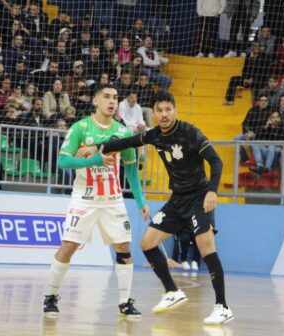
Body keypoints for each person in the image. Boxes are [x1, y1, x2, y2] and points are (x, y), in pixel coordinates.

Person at [93, 91, 233, 324]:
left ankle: (222, 306)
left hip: (199, 197)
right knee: (147, 242)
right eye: (160, 111)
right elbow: (126, 142)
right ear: (154, 114)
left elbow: (216, 161)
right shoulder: (154, 135)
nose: (164, 114)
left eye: (168, 110)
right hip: (177, 200)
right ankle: (172, 291)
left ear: (175, 110)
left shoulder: (190, 132)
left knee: (206, 247)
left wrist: (212, 191)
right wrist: (99, 147)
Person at [42, 83, 150, 321]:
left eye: (115, 97)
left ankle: (124, 302)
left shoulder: (123, 132)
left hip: (113, 201)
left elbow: (131, 170)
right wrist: (94, 161)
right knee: (69, 246)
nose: (112, 101)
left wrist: (141, 201)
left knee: (123, 248)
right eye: (107, 97)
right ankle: (50, 296)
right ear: (95, 101)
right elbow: (62, 161)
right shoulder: (81, 128)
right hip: (85, 199)